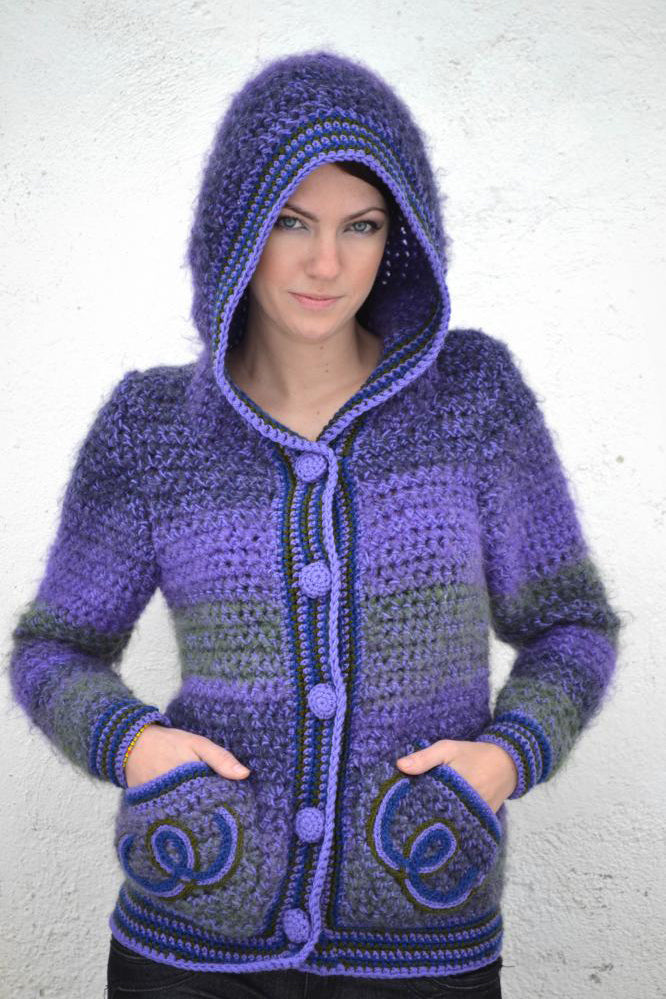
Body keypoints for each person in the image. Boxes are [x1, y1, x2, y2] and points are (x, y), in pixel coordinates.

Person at [8, 49, 622, 999]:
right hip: (191, 939)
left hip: (424, 933)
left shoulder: (473, 397)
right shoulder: (151, 427)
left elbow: (572, 624)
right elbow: (54, 647)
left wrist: (507, 758)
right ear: (236, 228)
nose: (326, 263)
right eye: (290, 220)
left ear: (398, 236)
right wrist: (134, 745)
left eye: (360, 225)